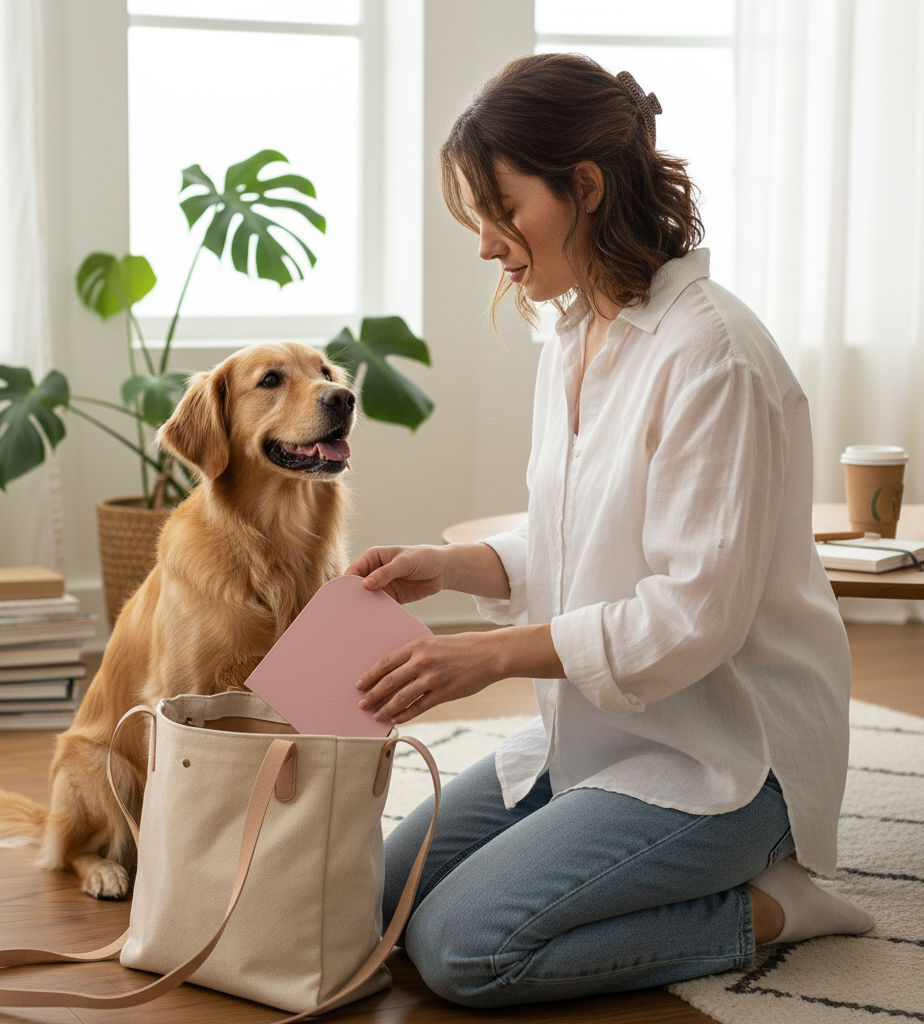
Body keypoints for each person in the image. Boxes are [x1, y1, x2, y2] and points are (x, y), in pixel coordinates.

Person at [345, 53, 874, 1009]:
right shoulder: (577, 333)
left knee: (461, 948)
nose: (486, 246)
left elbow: (689, 619)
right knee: (367, 904)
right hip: (596, 738)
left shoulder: (713, 357)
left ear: (584, 187)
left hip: (723, 756)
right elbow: (576, 531)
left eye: (502, 213)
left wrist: (495, 656)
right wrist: (453, 564)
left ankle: (777, 906)